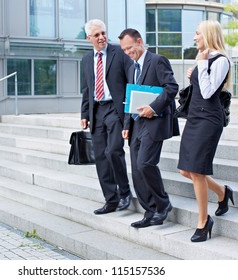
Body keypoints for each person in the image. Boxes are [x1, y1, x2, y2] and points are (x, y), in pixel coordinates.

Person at [177, 20, 234, 242]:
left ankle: (203, 221)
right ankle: (222, 192)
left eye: (197, 33)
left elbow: (210, 92)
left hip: (209, 119)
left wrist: (200, 66)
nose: (194, 38)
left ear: (208, 35)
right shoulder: (204, 59)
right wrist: (196, 70)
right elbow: (201, 87)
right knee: (185, 170)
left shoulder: (221, 60)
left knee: (197, 171)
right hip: (195, 118)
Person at [118, 28, 179, 228]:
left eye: (129, 48)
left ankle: (163, 204)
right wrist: (126, 124)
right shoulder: (130, 67)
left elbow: (172, 87)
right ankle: (149, 211)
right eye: (124, 50)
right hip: (136, 123)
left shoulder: (158, 60)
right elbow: (130, 97)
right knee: (136, 170)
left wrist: (153, 107)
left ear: (139, 41)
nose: (127, 52)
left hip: (155, 121)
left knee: (145, 164)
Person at [80, 19, 133, 215]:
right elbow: (86, 89)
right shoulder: (86, 60)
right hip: (96, 111)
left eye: (103, 33)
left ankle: (124, 191)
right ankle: (110, 200)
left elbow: (130, 81)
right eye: (97, 35)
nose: (102, 37)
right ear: (89, 38)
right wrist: (84, 113)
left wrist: (128, 115)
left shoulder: (119, 53)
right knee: (101, 157)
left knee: (114, 151)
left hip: (114, 109)